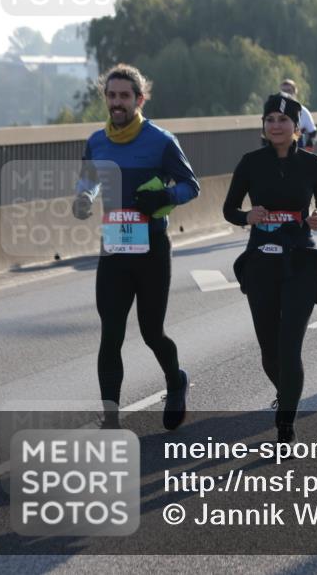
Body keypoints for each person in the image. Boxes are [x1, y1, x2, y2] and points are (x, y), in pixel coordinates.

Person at [72, 64, 200, 430]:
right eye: (111, 96)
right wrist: (83, 198)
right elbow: (89, 180)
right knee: (110, 333)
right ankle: (110, 421)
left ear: (139, 99)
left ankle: (176, 381)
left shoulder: (160, 140)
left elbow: (192, 186)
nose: (117, 102)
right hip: (114, 248)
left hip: (152, 249)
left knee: (151, 332)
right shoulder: (97, 141)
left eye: (124, 96)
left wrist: (163, 194)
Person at [224, 93, 317, 443]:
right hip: (260, 264)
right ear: (263, 127)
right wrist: (246, 216)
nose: (276, 126)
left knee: (289, 346)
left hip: (301, 263)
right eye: (270, 120)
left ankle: (286, 424)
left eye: (283, 121)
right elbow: (229, 209)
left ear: (297, 128)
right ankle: (287, 394)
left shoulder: (313, 165)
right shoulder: (250, 162)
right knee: (269, 351)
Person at [279, 79, 317, 152]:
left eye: (288, 91)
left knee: (298, 135)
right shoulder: (274, 112)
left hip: (297, 151)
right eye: (283, 91)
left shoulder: (303, 112)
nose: (286, 94)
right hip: (278, 151)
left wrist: (310, 143)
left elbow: (313, 133)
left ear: (295, 92)